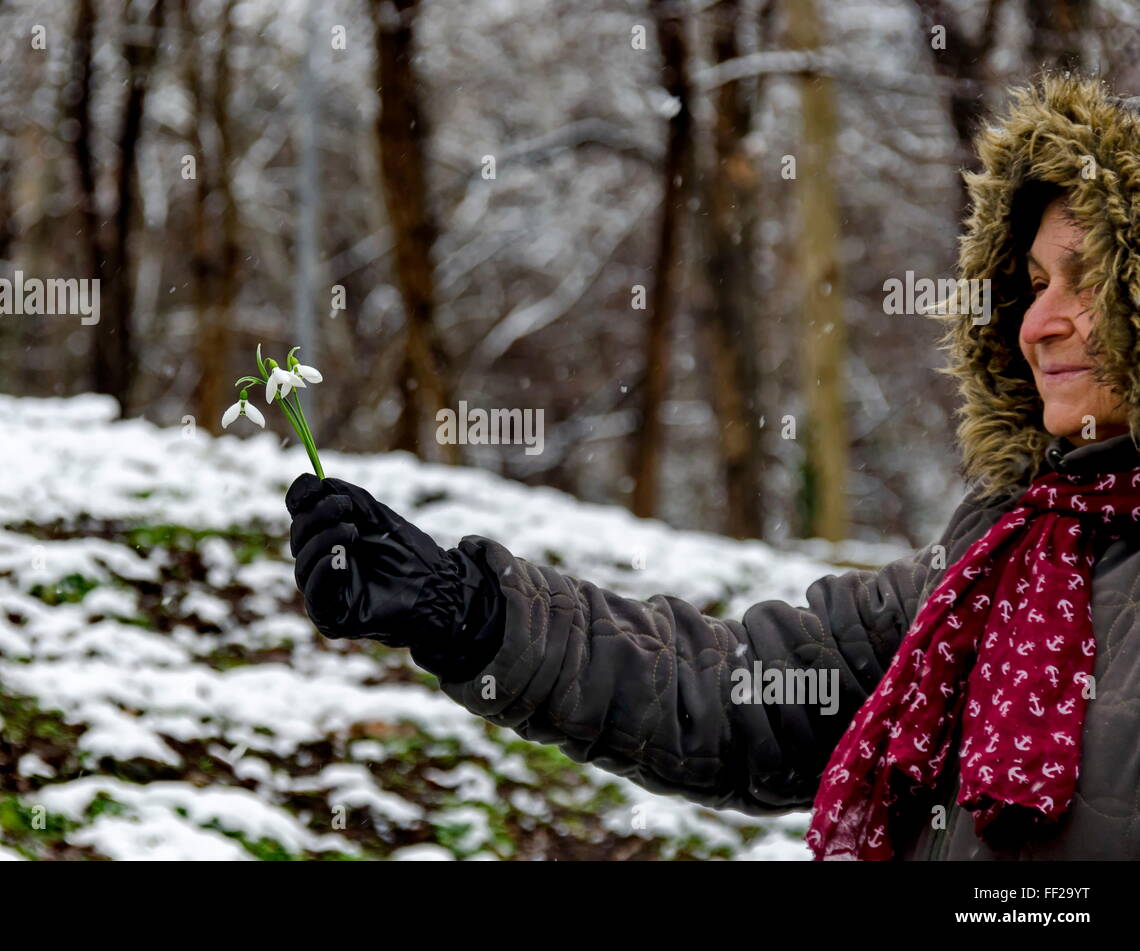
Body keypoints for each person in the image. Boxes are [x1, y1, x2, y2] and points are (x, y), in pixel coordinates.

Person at [284, 73, 1140, 860]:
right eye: (1032, 283)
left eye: (1088, 281)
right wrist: (469, 613)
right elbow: (748, 698)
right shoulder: (1008, 548)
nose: (1038, 323)